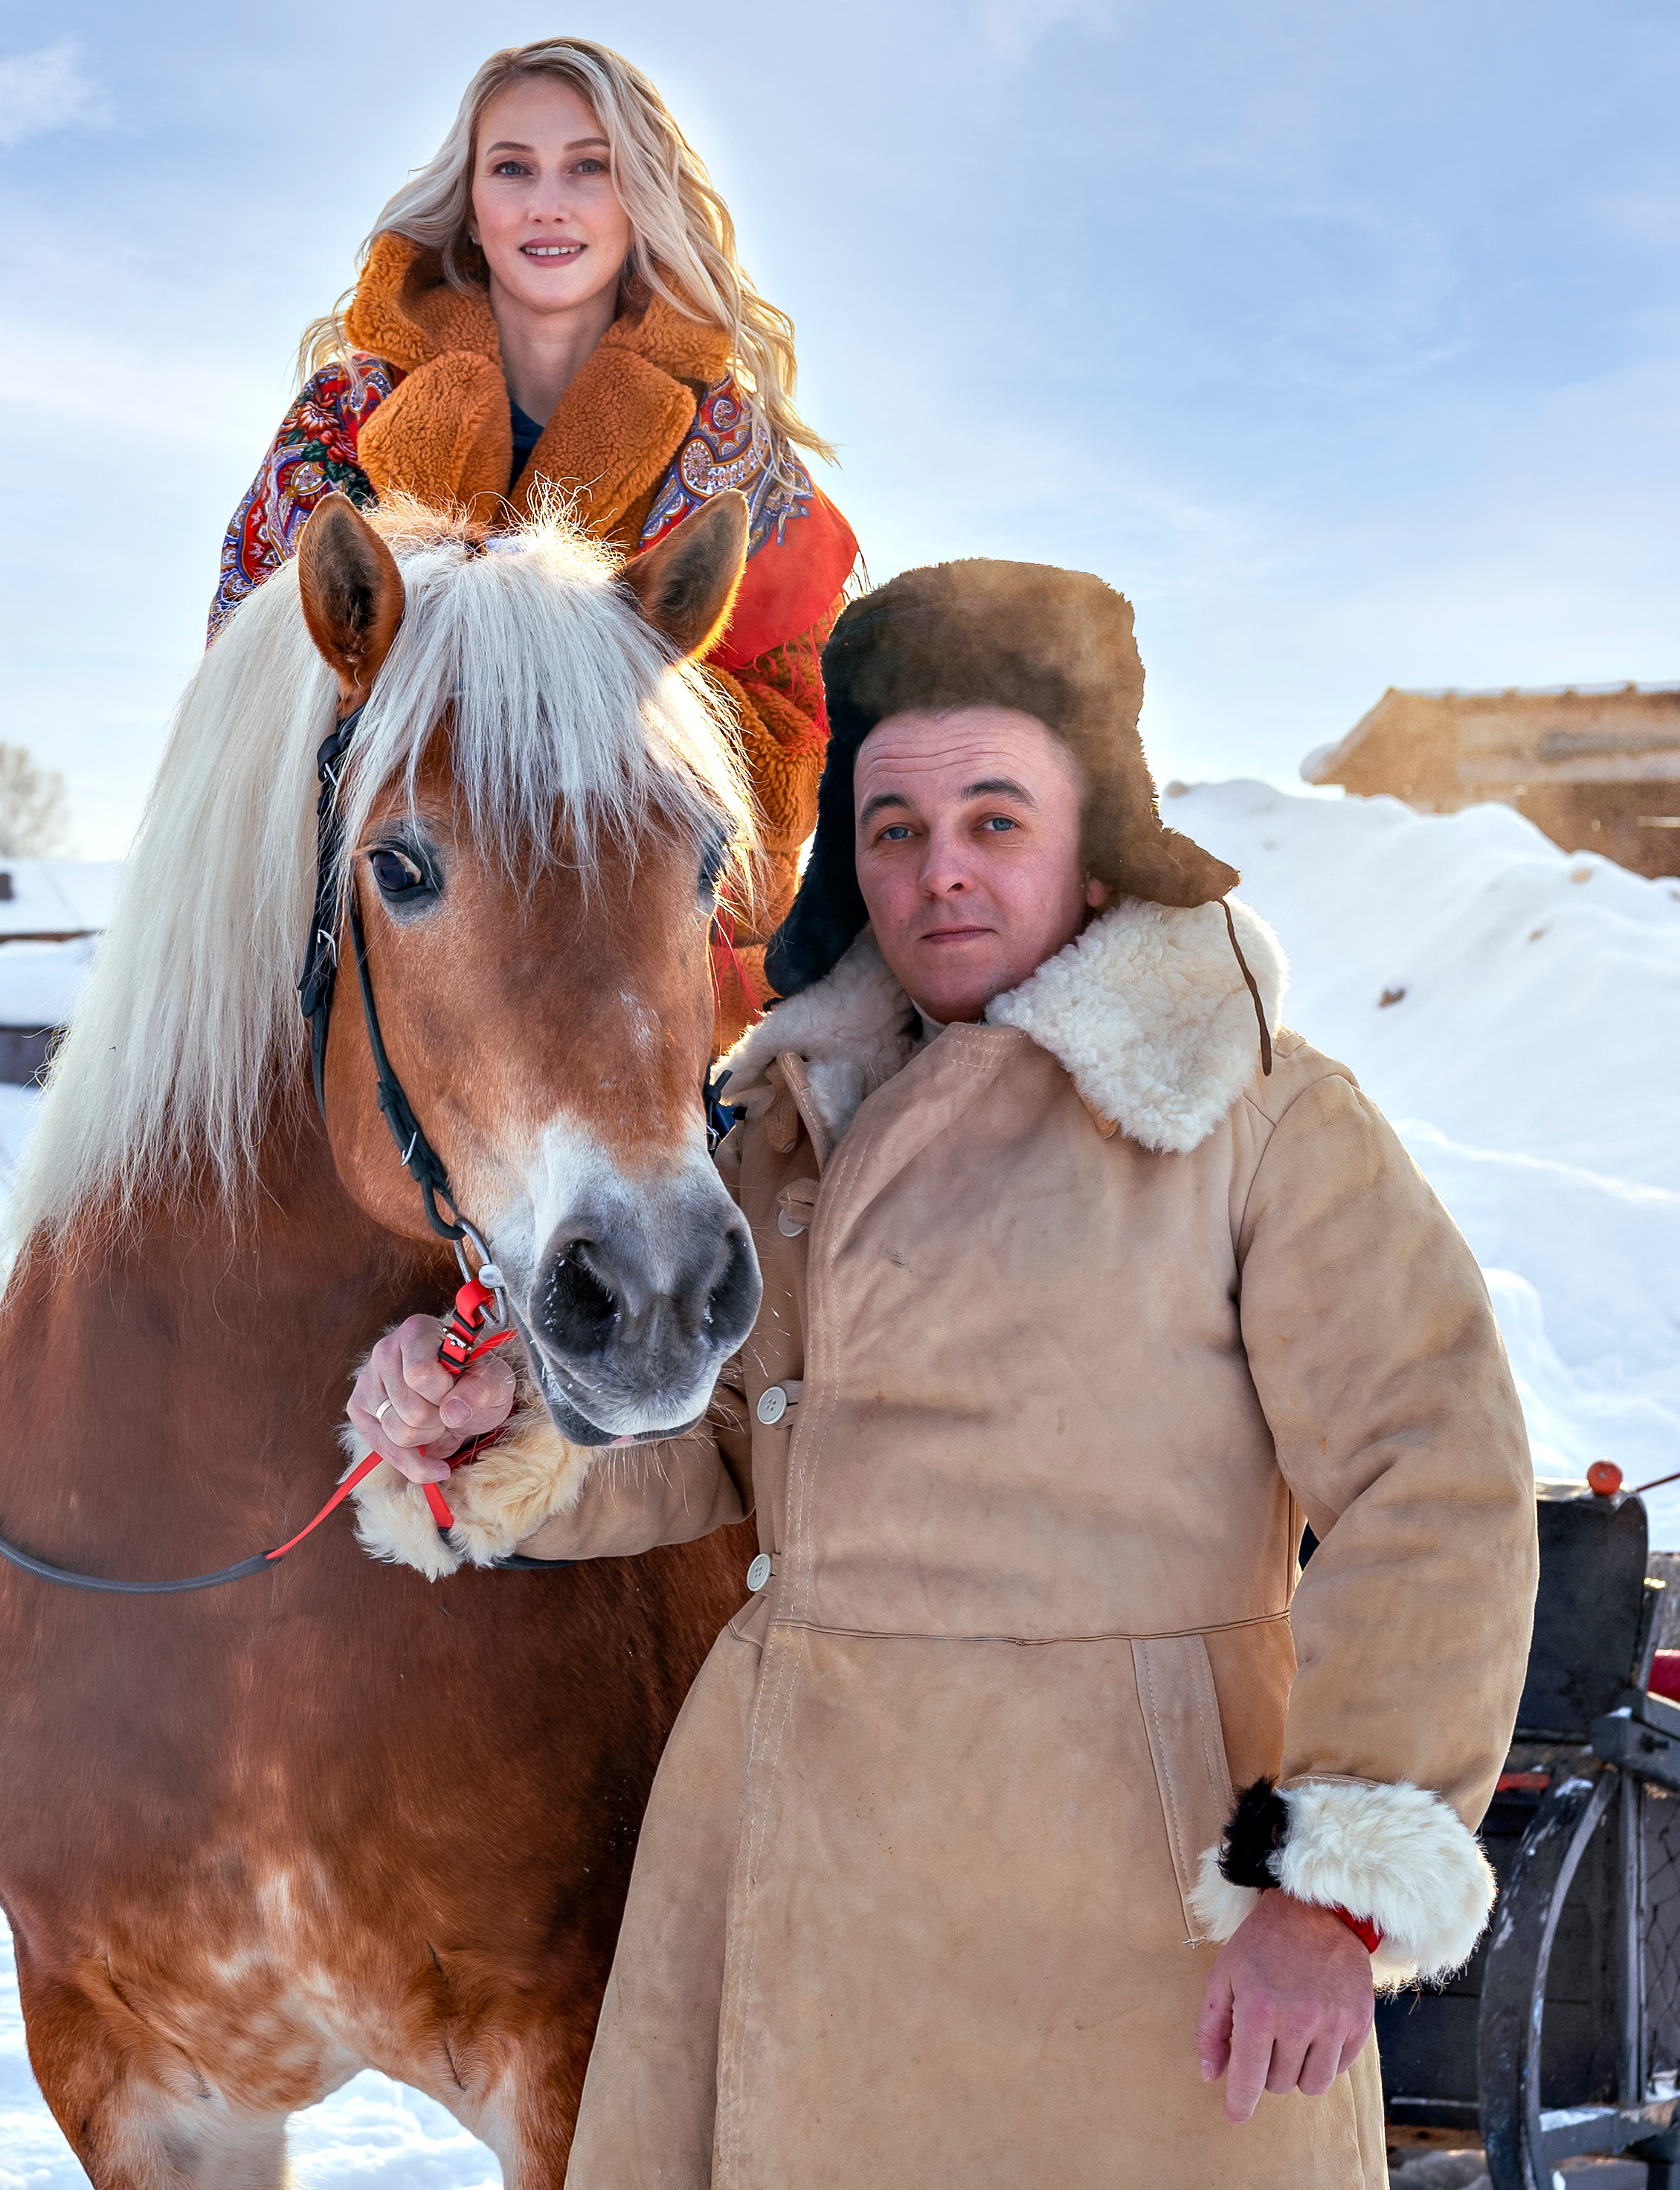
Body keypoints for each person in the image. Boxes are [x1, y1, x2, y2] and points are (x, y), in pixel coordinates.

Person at [350, 559, 1538, 2189]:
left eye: (995, 818)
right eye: (893, 830)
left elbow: (1437, 1486)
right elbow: (716, 1456)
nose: (938, 875)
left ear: (1093, 827)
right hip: (779, 1906)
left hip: (1128, 1944)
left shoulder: (1249, 1115)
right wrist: (500, 1435)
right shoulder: (784, 1118)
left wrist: (1328, 1899)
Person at [210, 36, 857, 1036]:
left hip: (637, 955)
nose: (548, 202)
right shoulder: (347, 413)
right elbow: (247, 671)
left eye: (588, 167)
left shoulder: (734, 452)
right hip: (367, 955)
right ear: (471, 201)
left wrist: (595, 767)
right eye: (512, 166)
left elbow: (788, 718)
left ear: (637, 194)